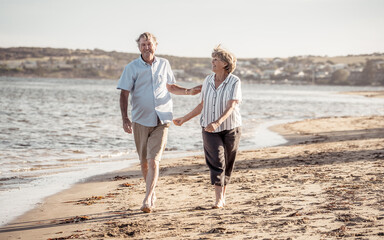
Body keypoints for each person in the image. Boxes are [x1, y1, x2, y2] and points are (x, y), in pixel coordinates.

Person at [117, 32, 201, 213]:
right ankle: (152, 191)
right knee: (144, 162)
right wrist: (125, 118)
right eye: (143, 45)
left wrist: (188, 91)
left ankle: (147, 197)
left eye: (149, 44)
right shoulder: (131, 68)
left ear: (156, 45)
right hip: (140, 119)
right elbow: (124, 94)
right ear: (139, 47)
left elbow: (170, 87)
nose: (146, 47)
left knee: (153, 160)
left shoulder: (164, 64)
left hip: (162, 118)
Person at [173, 45, 241, 209]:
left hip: (231, 127)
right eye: (213, 59)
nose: (213, 62)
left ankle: (222, 196)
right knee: (217, 161)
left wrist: (218, 122)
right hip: (208, 129)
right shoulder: (208, 80)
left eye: (216, 59)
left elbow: (231, 106)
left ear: (225, 64)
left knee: (227, 164)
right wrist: (184, 119)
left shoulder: (234, 81)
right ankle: (218, 199)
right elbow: (202, 105)